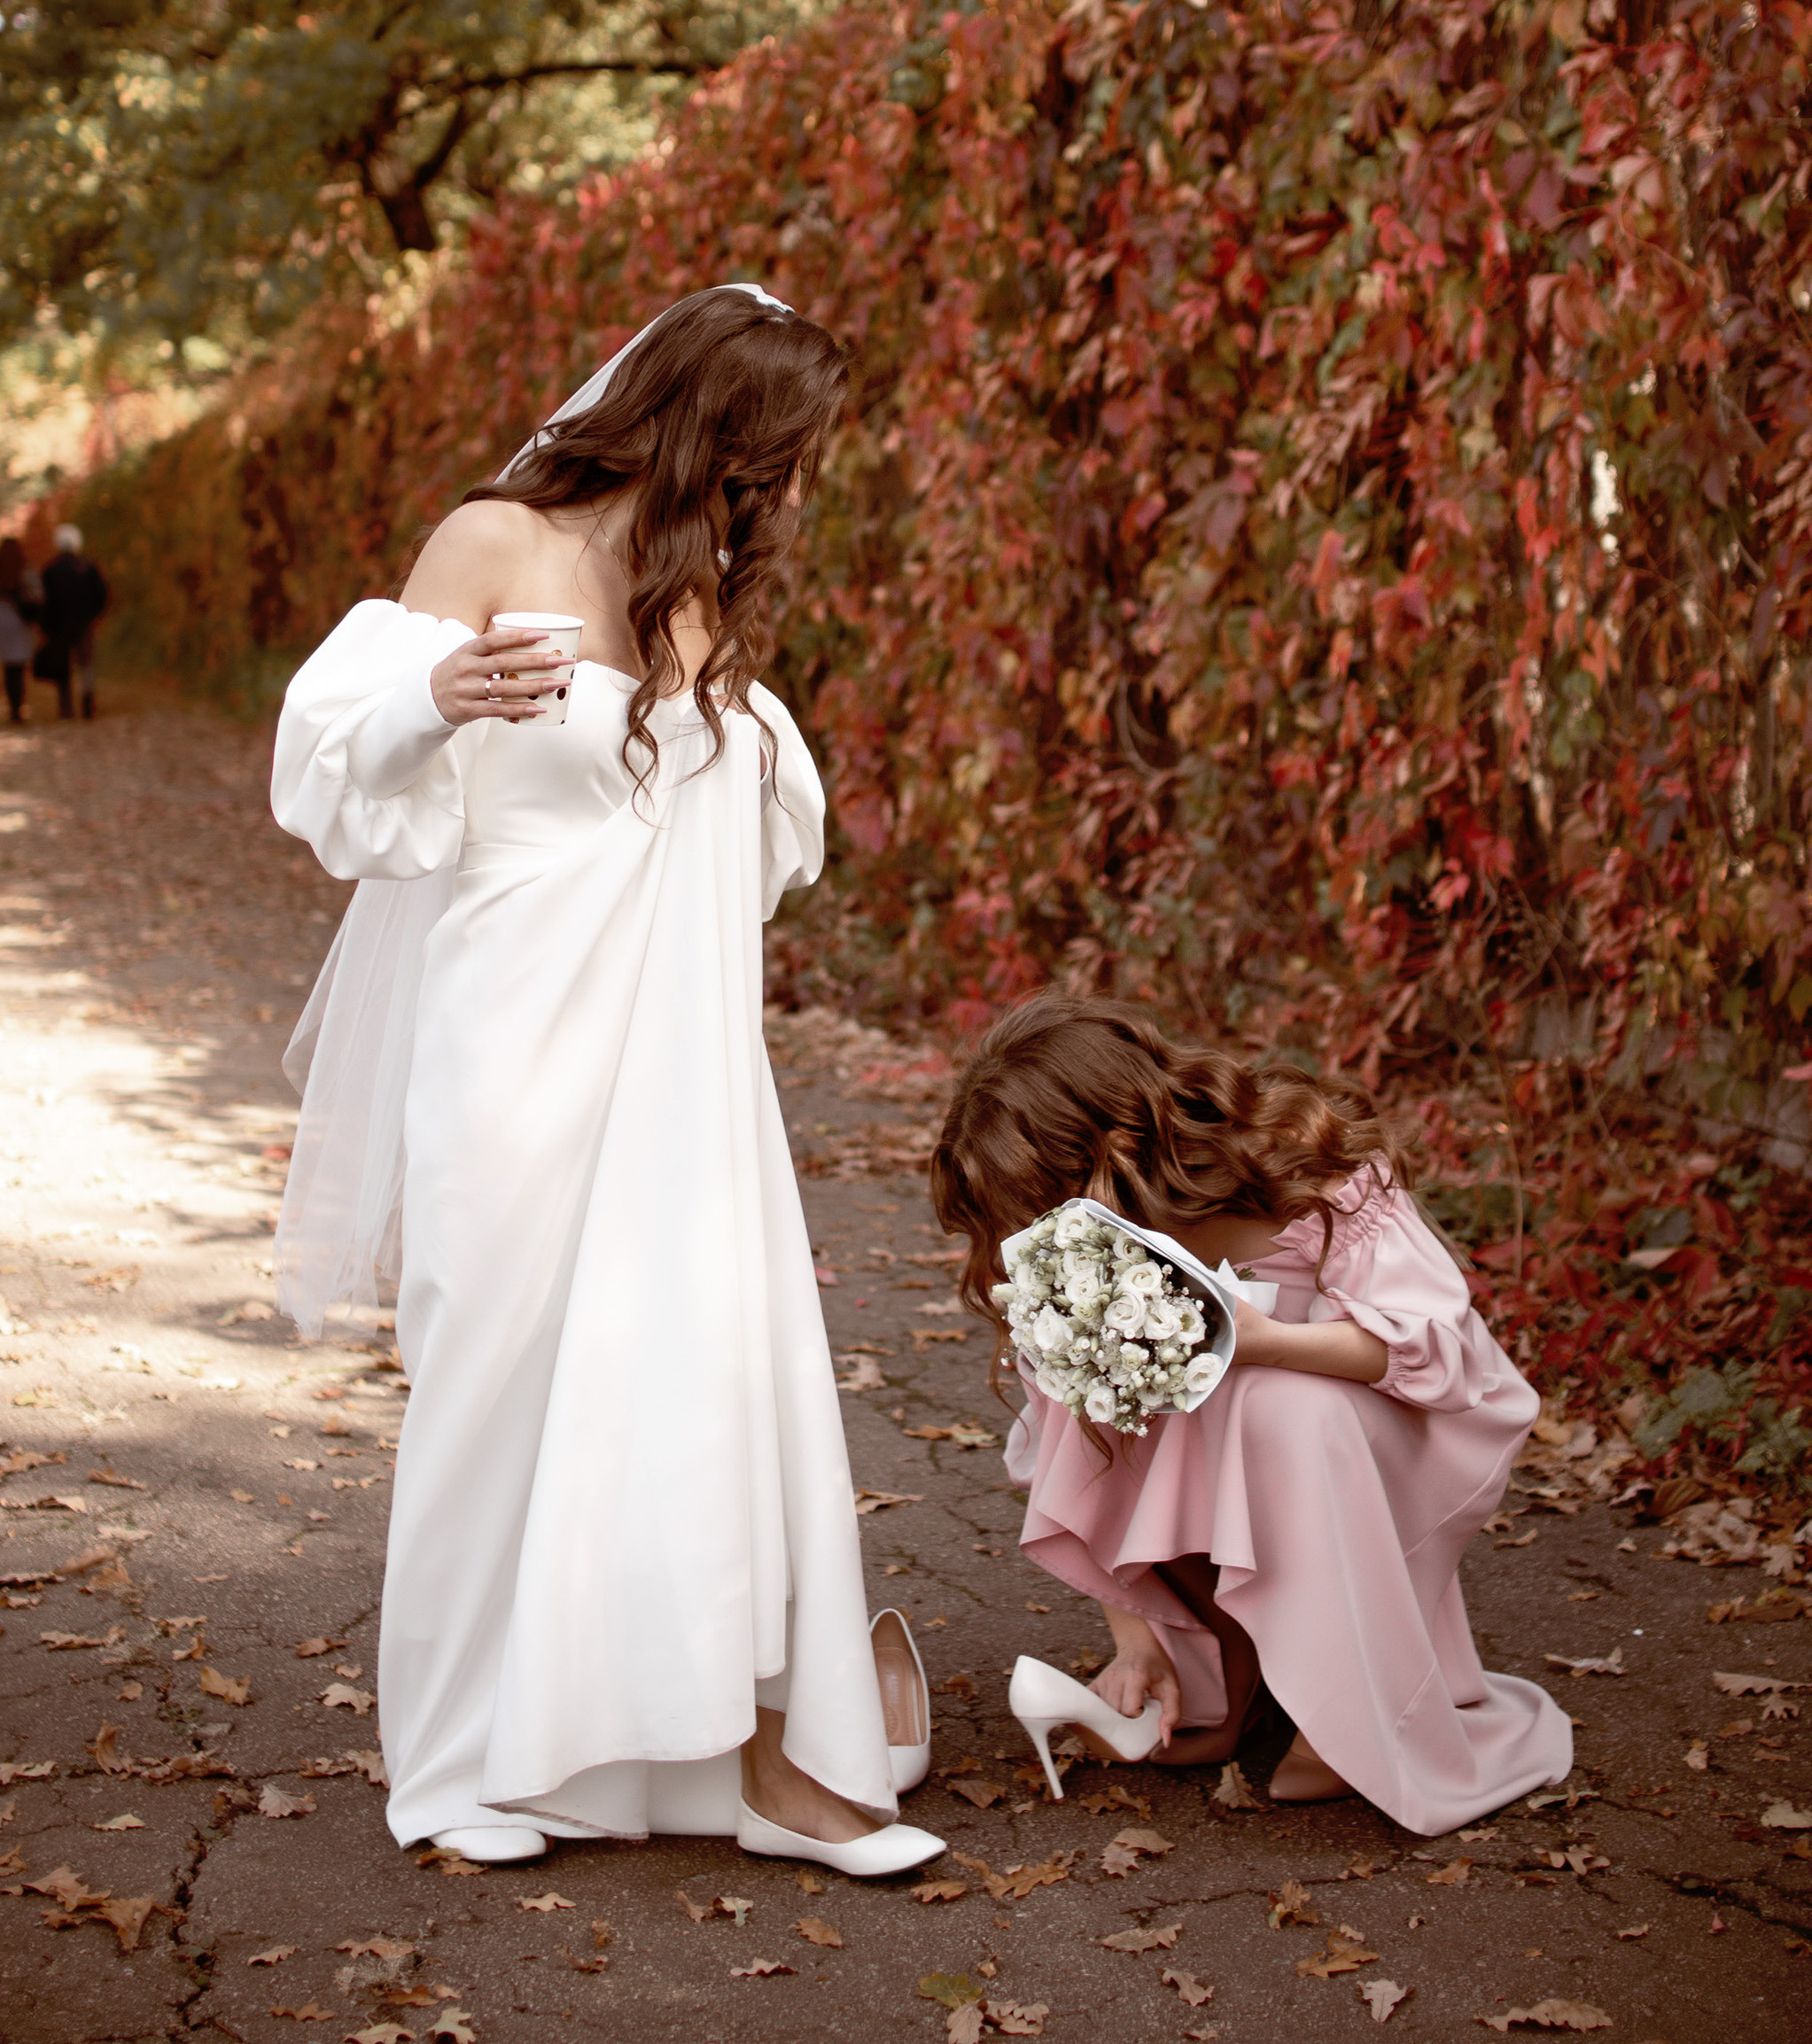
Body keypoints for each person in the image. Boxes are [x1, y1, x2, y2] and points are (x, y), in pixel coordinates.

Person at [268, 284, 944, 1878]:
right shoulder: (493, 539)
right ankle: (447, 1763)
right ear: (707, 413)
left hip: (685, 1077)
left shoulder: (700, 605)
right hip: (509, 1043)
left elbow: (760, 842)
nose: (794, 479)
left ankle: (670, 1754)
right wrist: (430, 704)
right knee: (490, 1386)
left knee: (683, 1389)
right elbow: (324, 757)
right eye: (782, 444)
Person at [929, 998, 1574, 1837]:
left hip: (1407, 1433)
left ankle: (1345, 1701)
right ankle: (1230, 1661)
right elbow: (1067, 1447)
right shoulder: (1084, 1259)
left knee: (1278, 1405)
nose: (1041, 1235)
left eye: (1047, 1204)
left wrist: (1262, 1342)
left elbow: (1436, 1357)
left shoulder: (1309, 1176)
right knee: (1133, 1382)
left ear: (1119, 1150)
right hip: (1261, 1442)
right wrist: (1132, 1638)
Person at [39, 523, 108, 720]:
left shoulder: (51, 569)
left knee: (64, 666)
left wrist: (46, 626)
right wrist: (92, 616)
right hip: (83, 624)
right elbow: (101, 595)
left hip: (60, 626)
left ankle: (66, 706)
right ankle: (88, 699)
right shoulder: (88, 567)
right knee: (86, 662)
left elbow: (46, 601)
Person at [0, 536, 42, 724]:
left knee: (9, 667)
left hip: (2, 622)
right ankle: (18, 707)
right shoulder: (25, 570)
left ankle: (13, 705)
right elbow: (38, 594)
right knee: (17, 667)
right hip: (19, 623)